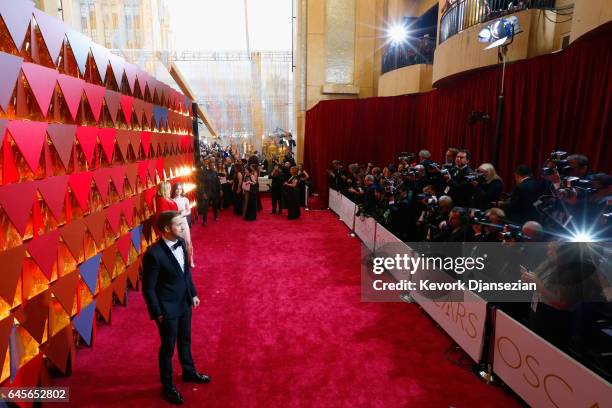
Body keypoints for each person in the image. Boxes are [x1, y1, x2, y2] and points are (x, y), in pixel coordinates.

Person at [142, 211, 211, 405]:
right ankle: (167, 386)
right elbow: (148, 289)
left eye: (183, 223)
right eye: (179, 225)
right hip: (167, 309)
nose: (184, 227)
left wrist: (193, 293)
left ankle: (188, 371)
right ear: (166, 229)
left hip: (184, 302)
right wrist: (158, 314)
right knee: (167, 348)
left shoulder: (180, 243)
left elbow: (186, 273)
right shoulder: (153, 254)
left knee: (185, 340)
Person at [172, 183, 195, 268]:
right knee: (178, 243)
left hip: (184, 222)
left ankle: (191, 260)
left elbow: (189, 211)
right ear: (174, 190)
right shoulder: (172, 200)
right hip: (176, 223)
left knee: (188, 241)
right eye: (177, 189)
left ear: (182, 190)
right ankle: (180, 261)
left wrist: (184, 213)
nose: (178, 191)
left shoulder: (185, 199)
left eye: (180, 189)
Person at [199, 160, 221, 226]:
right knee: (205, 207)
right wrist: (203, 193)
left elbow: (218, 182)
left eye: (213, 165)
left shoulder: (215, 173)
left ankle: (216, 216)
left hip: (214, 192)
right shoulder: (205, 173)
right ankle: (204, 221)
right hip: (207, 192)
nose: (212, 166)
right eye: (211, 165)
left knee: (215, 206)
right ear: (208, 166)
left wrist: (220, 189)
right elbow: (201, 184)